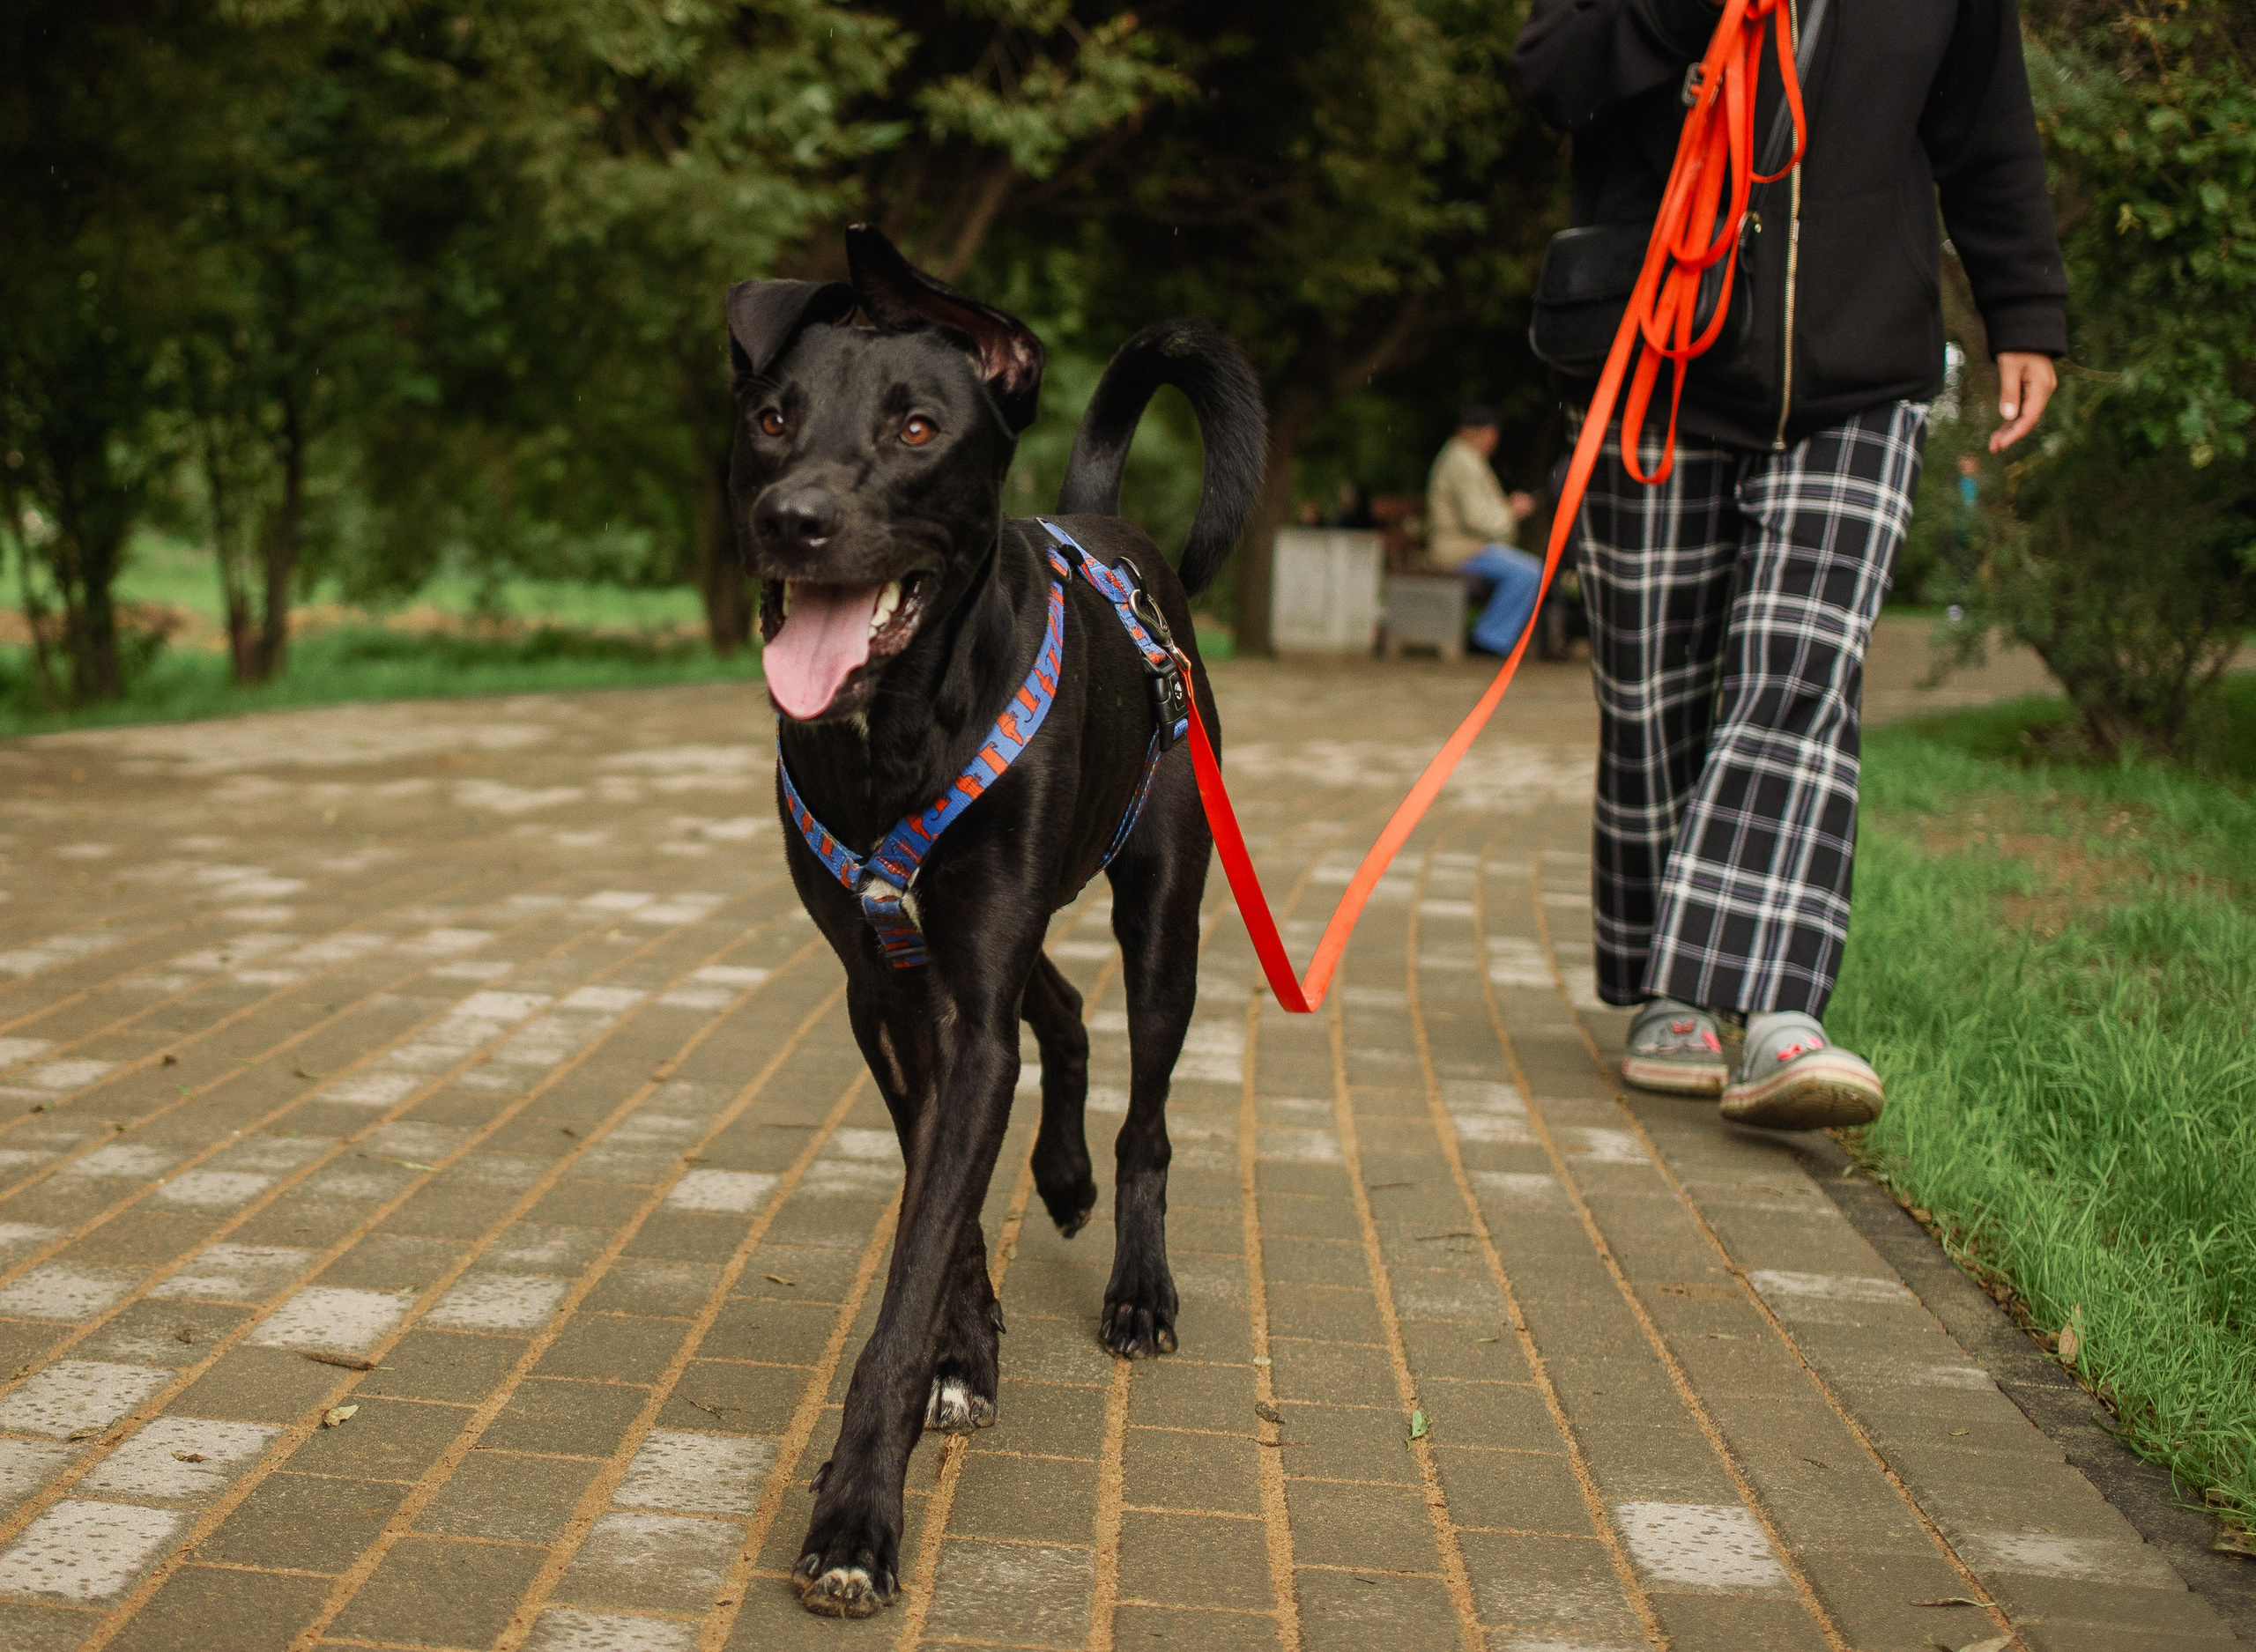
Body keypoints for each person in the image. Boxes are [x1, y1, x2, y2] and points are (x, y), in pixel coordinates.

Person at [1514, 0, 2064, 1129]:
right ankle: (1665, 991)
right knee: (1649, 689)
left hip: (1859, 374)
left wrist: (2026, 312)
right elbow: (1545, 76)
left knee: (1799, 667)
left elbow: (1986, 130)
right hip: (1653, 352)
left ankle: (1769, 1009)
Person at [1426, 407, 1544, 655]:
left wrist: (1506, 508)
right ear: (1487, 433)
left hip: (1470, 547)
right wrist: (1512, 512)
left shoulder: (1465, 457)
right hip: (1461, 550)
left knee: (1528, 569)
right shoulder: (1462, 461)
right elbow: (1477, 518)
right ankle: (1488, 640)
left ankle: (1491, 637)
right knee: (1529, 572)